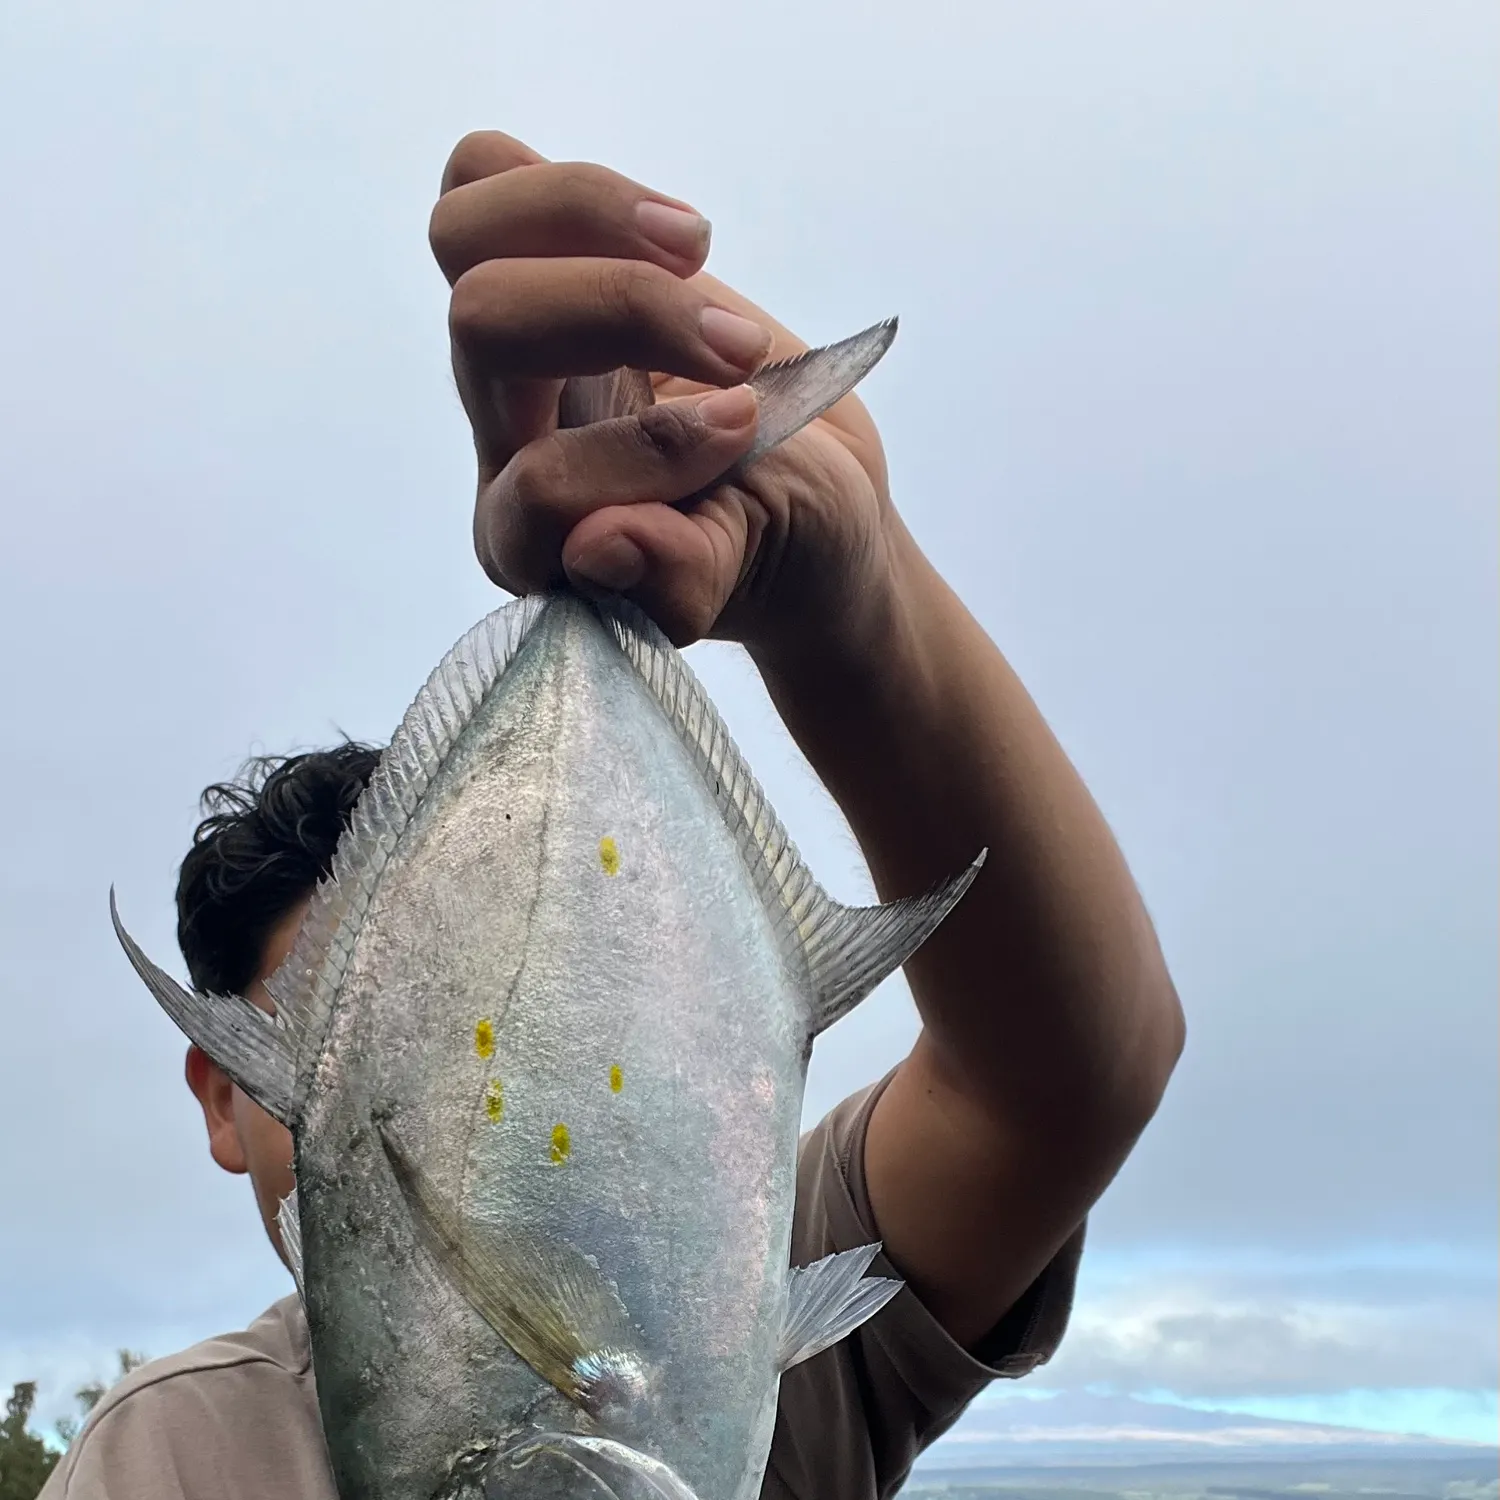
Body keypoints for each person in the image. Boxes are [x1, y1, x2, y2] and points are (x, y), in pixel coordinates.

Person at [41, 131, 1184, 1499]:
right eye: (348, 1038)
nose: (490, 1091)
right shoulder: (163, 1459)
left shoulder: (738, 1262)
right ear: (227, 1094)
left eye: (425, 1006)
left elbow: (1067, 1081)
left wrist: (857, 612)